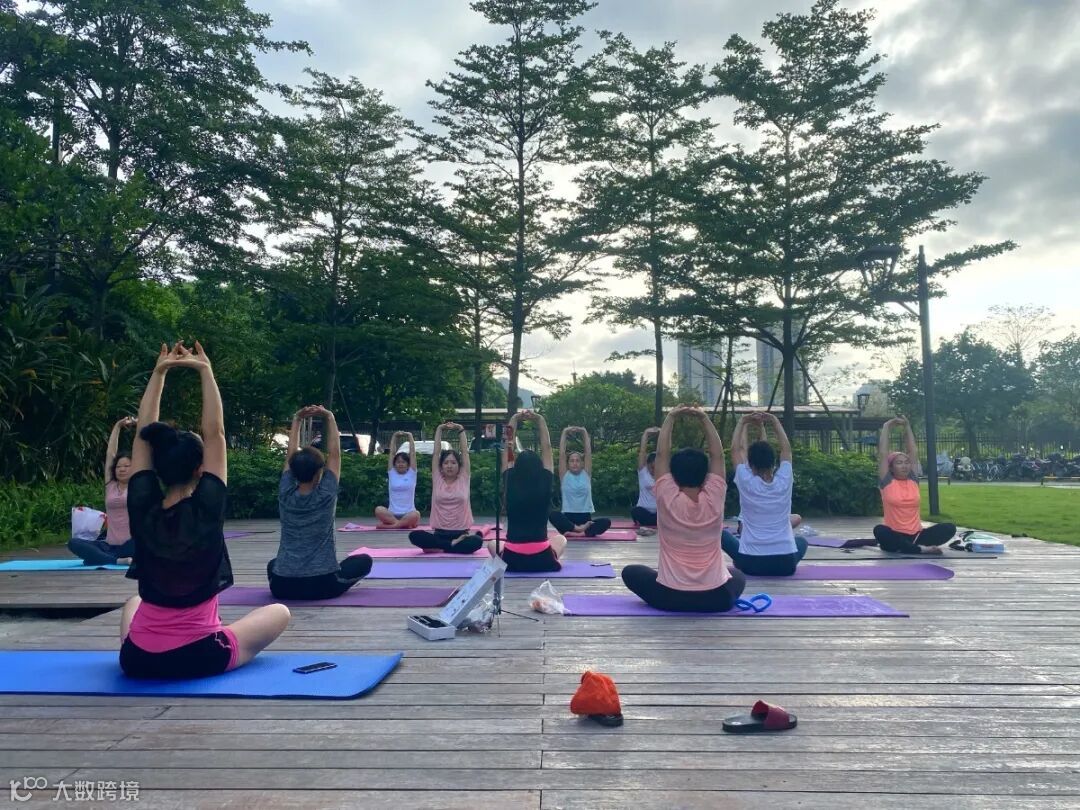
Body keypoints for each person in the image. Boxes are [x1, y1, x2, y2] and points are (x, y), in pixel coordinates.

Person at [120, 341, 289, 679]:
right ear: (200, 469)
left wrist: (159, 372)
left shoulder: (141, 504)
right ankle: (207, 629)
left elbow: (142, 436)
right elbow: (216, 434)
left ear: (155, 465)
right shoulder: (207, 509)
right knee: (280, 612)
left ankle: (166, 636)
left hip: (137, 660)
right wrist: (205, 371)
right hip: (199, 656)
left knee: (133, 603)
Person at [621, 405, 746, 612]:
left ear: (674, 475)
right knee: (738, 575)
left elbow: (662, 455)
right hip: (716, 599)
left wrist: (670, 417)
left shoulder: (667, 495)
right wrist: (704, 418)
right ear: (705, 475)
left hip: (670, 597)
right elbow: (717, 456)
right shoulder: (715, 495)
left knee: (630, 572)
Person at [266, 405, 373, 600]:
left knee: (274, 564)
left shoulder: (285, 493)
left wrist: (297, 420)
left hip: (283, 586)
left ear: (292, 472)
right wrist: (329, 417)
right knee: (364, 560)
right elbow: (335, 455)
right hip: (322, 584)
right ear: (318, 473)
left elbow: (290, 458)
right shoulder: (325, 495)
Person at [721, 412, 807, 576]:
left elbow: (735, 450)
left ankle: (740, 559)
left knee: (721, 535)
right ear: (774, 463)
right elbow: (786, 450)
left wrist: (742, 421)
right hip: (786, 564)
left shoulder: (746, 481)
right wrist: (774, 421)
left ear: (751, 465)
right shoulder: (784, 479)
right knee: (801, 541)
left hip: (751, 563)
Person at [488, 410, 565, 572]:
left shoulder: (510, 479)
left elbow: (507, 448)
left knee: (492, 544)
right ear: (539, 465)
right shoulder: (545, 479)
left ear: (517, 466)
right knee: (561, 539)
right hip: (542, 558)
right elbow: (547, 447)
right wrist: (540, 419)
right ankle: (547, 558)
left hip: (512, 558)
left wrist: (514, 419)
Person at [873, 415, 956, 554]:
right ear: (891, 467)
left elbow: (913, 451)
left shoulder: (913, 480)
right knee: (880, 530)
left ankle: (909, 547)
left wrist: (907, 426)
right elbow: (883, 453)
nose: (904, 466)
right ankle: (919, 550)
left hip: (917, 536)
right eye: (899, 463)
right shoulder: (887, 481)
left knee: (949, 528)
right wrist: (887, 426)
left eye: (907, 462)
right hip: (895, 535)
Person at [69, 416, 138, 566]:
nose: (122, 469)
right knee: (74, 543)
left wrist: (141, 425)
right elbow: (110, 454)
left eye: (126, 466)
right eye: (118, 467)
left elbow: (143, 452)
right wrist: (117, 426)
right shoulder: (111, 485)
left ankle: (99, 558)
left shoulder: (139, 485)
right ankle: (116, 560)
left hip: (132, 544)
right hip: (109, 545)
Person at [409, 422, 482, 554]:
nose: (449, 466)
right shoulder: (438, 479)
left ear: (459, 466)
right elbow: (436, 453)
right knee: (414, 536)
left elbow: (465, 453)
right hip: (440, 534)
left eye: (453, 463)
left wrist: (461, 429)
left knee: (477, 541)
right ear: (441, 466)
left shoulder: (464, 478)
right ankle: (451, 545)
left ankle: (442, 547)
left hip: (461, 534)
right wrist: (439, 429)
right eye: (446, 463)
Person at [548, 426, 611, 537]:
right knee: (553, 515)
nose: (575, 463)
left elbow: (588, 452)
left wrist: (584, 432)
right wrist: (565, 432)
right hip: (568, 520)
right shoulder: (564, 475)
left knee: (606, 522)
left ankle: (579, 533)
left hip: (585, 519)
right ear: (568, 464)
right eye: (572, 461)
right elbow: (562, 454)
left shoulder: (586, 474)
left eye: (578, 461)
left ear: (582, 463)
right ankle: (579, 530)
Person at [374, 431, 421, 529]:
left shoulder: (412, 473)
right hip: (392, 514)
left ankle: (391, 526)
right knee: (378, 510)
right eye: (398, 462)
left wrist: (410, 436)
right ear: (394, 464)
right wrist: (394, 436)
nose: (400, 464)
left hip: (408, 514)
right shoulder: (392, 473)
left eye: (403, 462)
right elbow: (391, 453)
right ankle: (402, 524)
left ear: (408, 464)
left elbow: (412, 454)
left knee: (416, 514)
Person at [631, 427, 660, 535]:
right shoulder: (643, 473)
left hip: (659, 514)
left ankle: (655, 523)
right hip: (644, 512)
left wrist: (664, 433)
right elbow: (642, 452)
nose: (654, 470)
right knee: (635, 510)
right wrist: (646, 434)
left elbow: (666, 452)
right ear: (648, 465)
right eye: (652, 467)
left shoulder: (664, 475)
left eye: (656, 467)